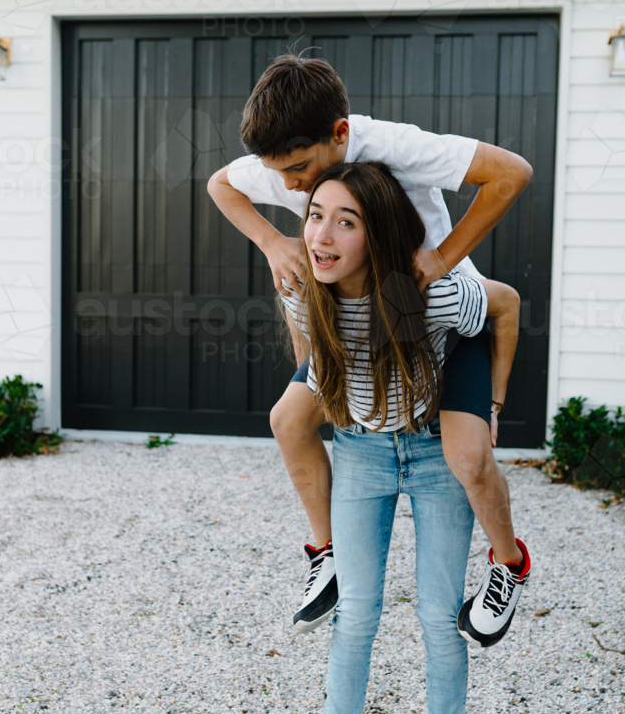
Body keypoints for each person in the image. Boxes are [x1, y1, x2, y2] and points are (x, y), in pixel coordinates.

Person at [207, 52, 532, 646]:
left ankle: (508, 564)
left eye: (299, 169)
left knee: (467, 457)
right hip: (356, 321)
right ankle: (326, 550)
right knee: (288, 419)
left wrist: (441, 257)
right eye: (277, 173)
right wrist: (271, 241)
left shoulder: (397, 147)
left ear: (340, 135)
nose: (290, 186)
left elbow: (511, 172)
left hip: (432, 319)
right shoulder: (288, 160)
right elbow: (220, 184)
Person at [278, 161, 526, 714]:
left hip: (431, 454)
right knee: (355, 614)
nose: (320, 235)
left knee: (437, 614)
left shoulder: (434, 295)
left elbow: (503, 305)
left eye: (344, 222)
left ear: (376, 235)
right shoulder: (304, 292)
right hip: (358, 454)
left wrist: (493, 404)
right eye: (314, 215)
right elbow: (310, 365)